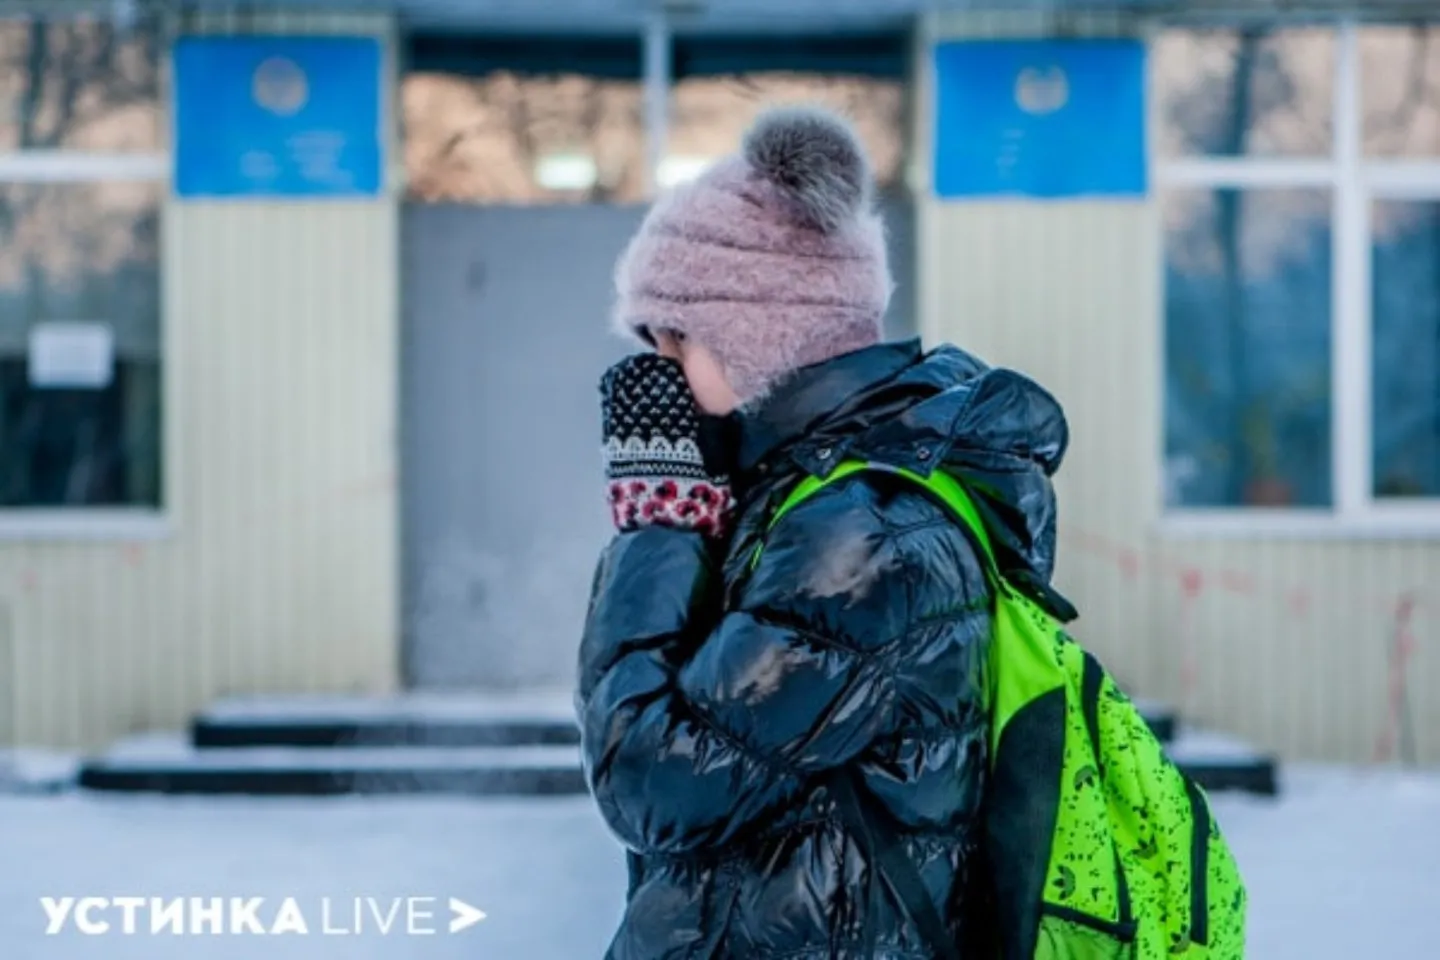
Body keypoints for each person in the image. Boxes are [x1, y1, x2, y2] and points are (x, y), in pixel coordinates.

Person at [576, 105, 1073, 959]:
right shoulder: (809, 507)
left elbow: (653, 778)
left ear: (754, 337)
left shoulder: (861, 540)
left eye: (674, 343)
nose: (659, 376)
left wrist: (657, 522)